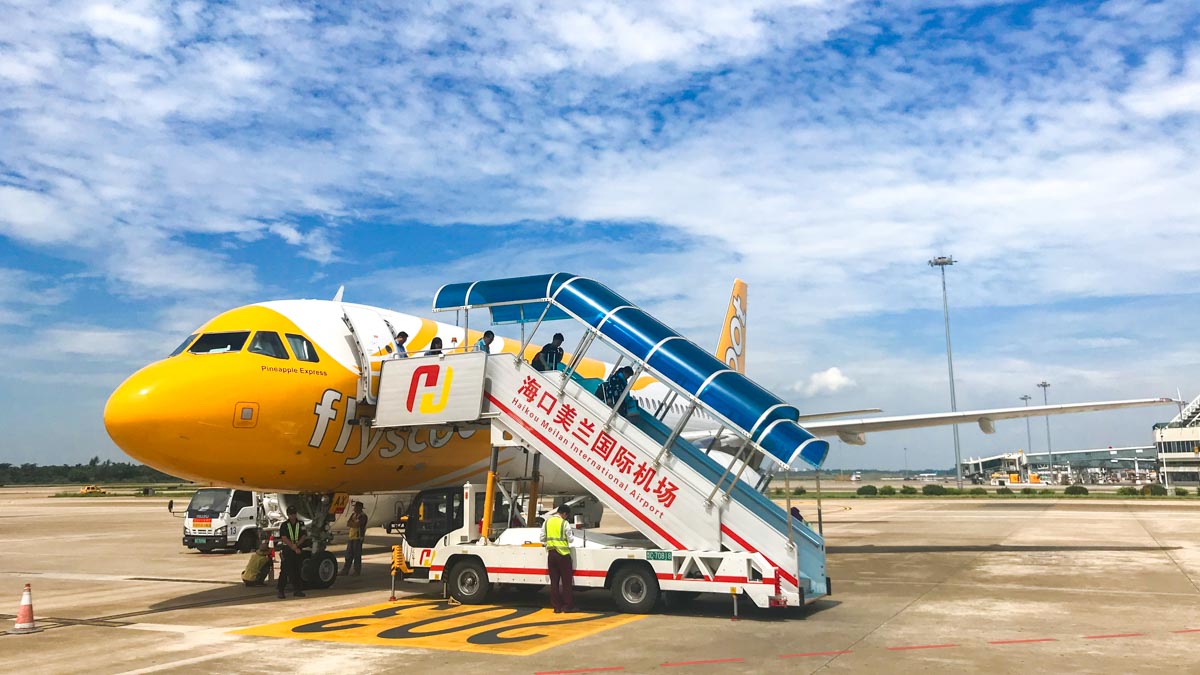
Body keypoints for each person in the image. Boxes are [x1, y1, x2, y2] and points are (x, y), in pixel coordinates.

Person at [540, 503, 577, 613]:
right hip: (563, 555)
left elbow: (542, 537)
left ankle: (556, 607)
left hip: (551, 554)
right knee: (566, 582)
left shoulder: (547, 522)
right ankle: (567, 605)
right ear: (564, 514)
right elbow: (571, 540)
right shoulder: (564, 523)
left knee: (554, 582)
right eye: (567, 515)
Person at [277, 505, 308, 598]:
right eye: (291, 514)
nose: (292, 516)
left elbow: (304, 536)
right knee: (285, 571)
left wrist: (297, 545)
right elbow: (284, 538)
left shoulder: (301, 524)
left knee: (297, 571)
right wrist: (293, 547)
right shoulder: (284, 525)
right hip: (288, 550)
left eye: (294, 514)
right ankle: (281, 590)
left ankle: (297, 589)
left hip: (297, 549)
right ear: (288, 515)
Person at [343, 501, 366, 576]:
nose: (354, 508)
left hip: (358, 538)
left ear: (359, 508)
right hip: (351, 537)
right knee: (348, 555)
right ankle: (345, 570)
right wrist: (353, 524)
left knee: (357, 555)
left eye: (355, 507)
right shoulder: (353, 515)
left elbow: (357, 525)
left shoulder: (363, 516)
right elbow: (348, 523)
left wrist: (352, 524)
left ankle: (357, 571)